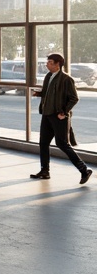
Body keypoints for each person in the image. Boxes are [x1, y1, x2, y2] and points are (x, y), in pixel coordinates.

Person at [31, 52, 92, 183]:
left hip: (59, 117)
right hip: (47, 115)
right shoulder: (48, 76)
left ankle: (84, 170)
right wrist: (38, 93)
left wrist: (64, 112)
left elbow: (74, 98)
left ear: (58, 65)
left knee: (62, 144)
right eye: (47, 62)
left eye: (50, 62)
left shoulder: (66, 79)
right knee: (43, 143)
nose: (47, 64)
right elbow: (47, 92)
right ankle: (44, 171)